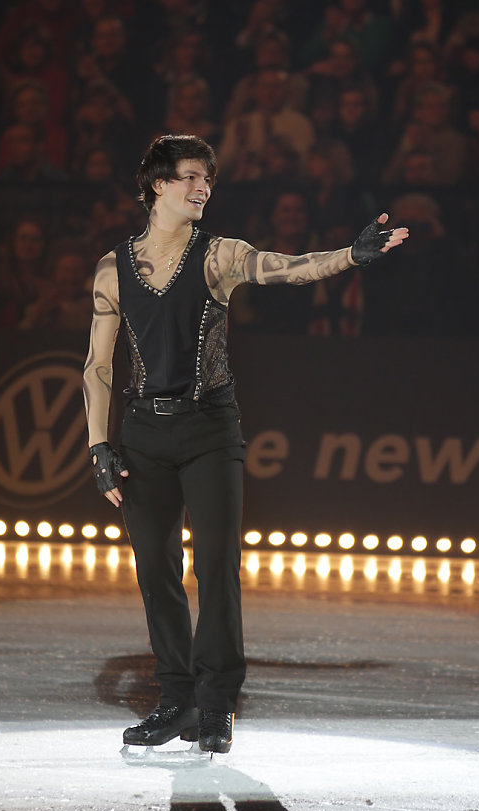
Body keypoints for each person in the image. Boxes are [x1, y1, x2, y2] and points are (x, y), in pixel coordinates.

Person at [82, 134, 408, 754]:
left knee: (217, 567)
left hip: (210, 430)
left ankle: (215, 705)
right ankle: (175, 699)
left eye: (207, 178)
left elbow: (288, 267)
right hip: (144, 435)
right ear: (157, 186)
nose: (202, 188)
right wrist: (100, 447)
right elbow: (97, 366)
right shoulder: (112, 268)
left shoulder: (219, 254)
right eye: (188, 178)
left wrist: (352, 257)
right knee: (155, 570)